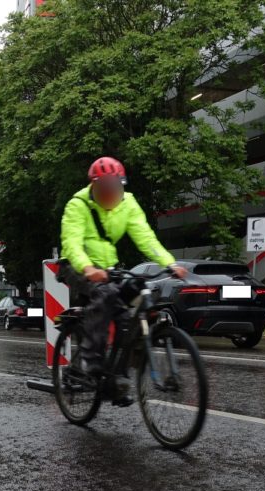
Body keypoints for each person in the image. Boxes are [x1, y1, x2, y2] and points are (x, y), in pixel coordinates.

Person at [60, 156, 187, 394]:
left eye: (115, 188)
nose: (110, 195)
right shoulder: (77, 205)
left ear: (121, 186)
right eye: (104, 189)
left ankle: (119, 372)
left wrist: (170, 263)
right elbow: (72, 243)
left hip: (109, 269)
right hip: (77, 266)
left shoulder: (128, 203)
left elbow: (145, 237)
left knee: (137, 300)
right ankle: (91, 361)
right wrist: (88, 268)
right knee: (106, 296)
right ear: (94, 187)